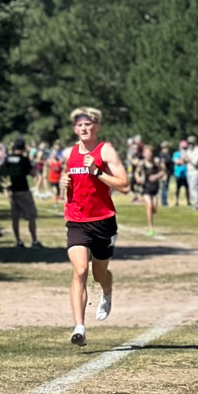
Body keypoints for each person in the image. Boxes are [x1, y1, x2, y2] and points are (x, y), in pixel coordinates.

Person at [59, 107, 129, 347]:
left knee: (99, 274)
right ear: (75, 128)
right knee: (80, 271)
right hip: (77, 220)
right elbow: (68, 188)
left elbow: (124, 185)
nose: (84, 128)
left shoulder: (105, 150)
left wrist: (97, 172)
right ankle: (79, 327)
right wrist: (62, 184)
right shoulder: (70, 152)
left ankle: (107, 292)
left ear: (96, 127)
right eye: (80, 125)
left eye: (88, 124)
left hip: (103, 221)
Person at [2, 137, 42, 248]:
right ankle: (34, 241)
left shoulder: (8, 158)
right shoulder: (24, 159)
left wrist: (6, 185)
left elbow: (3, 173)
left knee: (15, 218)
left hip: (13, 190)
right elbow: (32, 173)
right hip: (23, 190)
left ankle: (18, 241)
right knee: (31, 216)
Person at [135, 144, 166, 236]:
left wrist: (156, 176)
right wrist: (138, 178)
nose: (148, 155)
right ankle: (151, 228)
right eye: (146, 153)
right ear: (144, 154)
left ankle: (151, 219)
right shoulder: (141, 163)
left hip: (155, 188)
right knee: (148, 206)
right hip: (146, 188)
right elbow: (137, 172)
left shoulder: (156, 162)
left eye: (149, 153)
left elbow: (163, 171)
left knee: (154, 209)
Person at [185, 135, 198, 210]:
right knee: (191, 188)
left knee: (194, 188)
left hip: (196, 172)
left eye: (191, 143)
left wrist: (188, 158)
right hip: (189, 171)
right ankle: (197, 203)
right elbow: (185, 160)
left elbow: (195, 162)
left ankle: (197, 204)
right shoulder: (188, 150)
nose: (190, 145)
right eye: (189, 143)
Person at [172, 140, 189, 206]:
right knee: (177, 188)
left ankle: (188, 201)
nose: (184, 149)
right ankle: (176, 201)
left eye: (185, 147)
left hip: (186, 173)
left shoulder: (188, 153)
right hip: (178, 173)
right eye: (183, 147)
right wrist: (184, 160)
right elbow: (177, 162)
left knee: (187, 188)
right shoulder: (176, 154)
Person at [158, 141, 173, 206]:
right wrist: (165, 174)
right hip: (165, 173)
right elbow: (163, 165)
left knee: (166, 187)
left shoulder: (167, 154)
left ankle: (165, 201)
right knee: (164, 187)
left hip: (168, 173)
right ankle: (164, 202)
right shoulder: (162, 155)